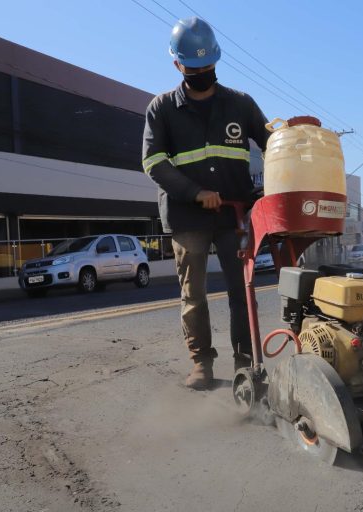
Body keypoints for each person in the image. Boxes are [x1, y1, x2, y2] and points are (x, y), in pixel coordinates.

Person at [142, 17, 270, 389]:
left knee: (241, 293)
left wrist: (290, 140)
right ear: (178, 65)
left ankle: (246, 364)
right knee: (193, 295)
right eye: (195, 68)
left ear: (216, 61)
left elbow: (271, 144)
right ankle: (202, 364)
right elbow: (152, 162)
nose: (203, 73)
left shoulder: (241, 104)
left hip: (234, 215)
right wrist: (195, 192)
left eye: (208, 67)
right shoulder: (161, 109)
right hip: (186, 216)